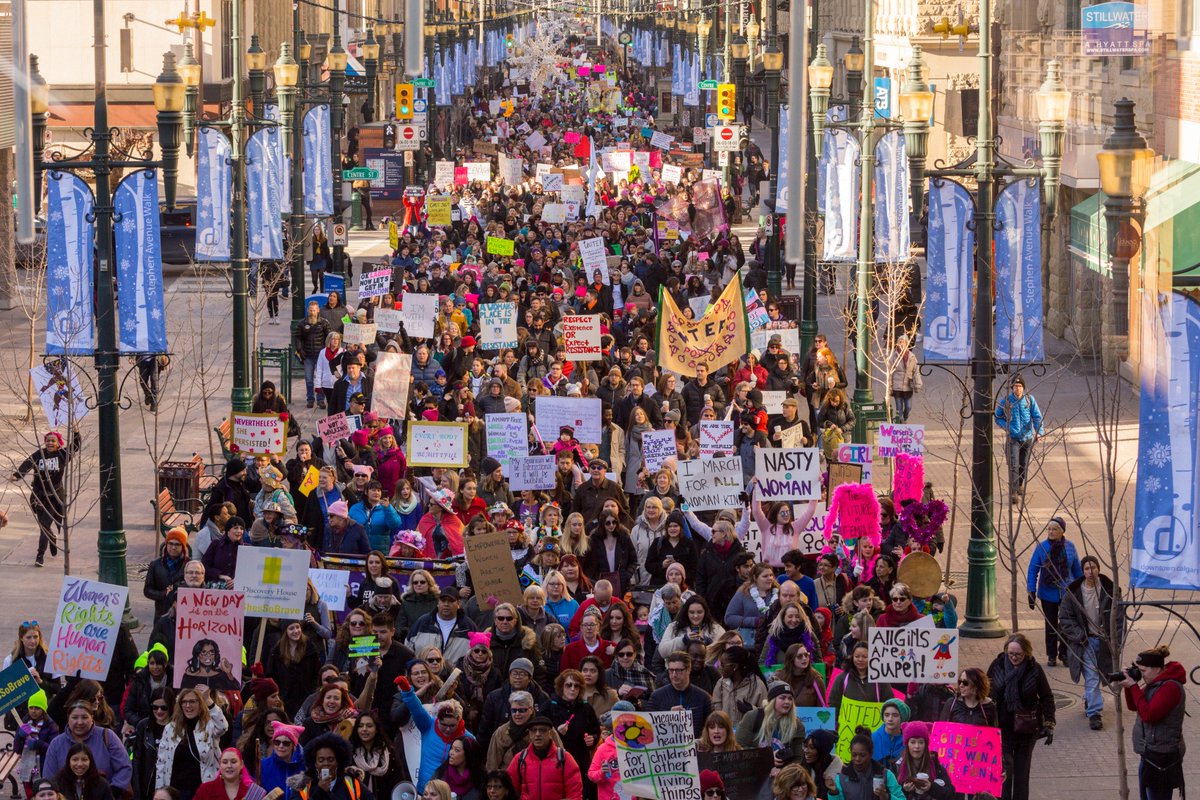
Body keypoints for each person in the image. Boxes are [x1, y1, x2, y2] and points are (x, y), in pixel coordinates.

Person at [987, 633, 1054, 800]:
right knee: (1004, 773)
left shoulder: (1034, 669)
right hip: (1002, 730)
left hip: (1026, 730)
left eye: (1018, 654)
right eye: (1011, 654)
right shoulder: (997, 665)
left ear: (1026, 653)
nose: (1014, 658)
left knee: (1022, 775)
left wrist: (1049, 722)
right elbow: (986, 692)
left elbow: (1047, 696)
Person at [1058, 555, 1119, 731]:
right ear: (1082, 571)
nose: (1090, 572)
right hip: (1086, 642)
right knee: (1092, 676)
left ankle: (1089, 699)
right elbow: (1065, 618)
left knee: (1100, 675)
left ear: (1098, 569)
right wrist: (1080, 636)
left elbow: (1119, 619)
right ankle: (1094, 713)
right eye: (1086, 568)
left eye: (1093, 568)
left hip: (1105, 641)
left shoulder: (1110, 590)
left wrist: (1116, 640)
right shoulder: (1073, 593)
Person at [1120, 645, 1186, 800]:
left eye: (1143, 671)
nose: (1142, 675)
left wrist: (1134, 686)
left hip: (1162, 756)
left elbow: (1150, 715)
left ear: (1157, 669)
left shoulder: (1170, 687)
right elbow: (1134, 706)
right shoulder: (1156, 683)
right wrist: (1129, 687)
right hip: (1150, 753)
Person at [11, 426, 81, 567]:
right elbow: (27, 463)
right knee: (43, 525)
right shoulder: (40, 454)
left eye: (53, 441)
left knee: (44, 525)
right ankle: (52, 538)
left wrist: (75, 432)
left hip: (54, 498)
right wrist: (17, 475)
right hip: (38, 496)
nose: (50, 443)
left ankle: (40, 555)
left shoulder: (62, 455)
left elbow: (75, 446)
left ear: (58, 443)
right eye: (48, 440)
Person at [153, 687, 228, 800]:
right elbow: (161, 762)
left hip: (203, 790)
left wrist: (208, 699)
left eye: (192, 701)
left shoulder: (209, 725)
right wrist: (159, 793)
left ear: (200, 703)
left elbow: (223, 727)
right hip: (175, 791)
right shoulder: (170, 728)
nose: (188, 705)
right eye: (184, 702)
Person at [1025, 516, 1081, 667]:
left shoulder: (1070, 547)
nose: (1050, 532)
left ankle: (1064, 653)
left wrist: (1081, 590)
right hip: (1047, 593)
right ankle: (1051, 655)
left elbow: (1077, 570)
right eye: (1049, 529)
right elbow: (1033, 569)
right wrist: (1031, 590)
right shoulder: (1042, 548)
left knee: (1066, 624)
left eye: (1054, 529)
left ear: (1062, 531)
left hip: (1066, 592)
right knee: (1050, 625)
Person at [43, 703, 131, 798]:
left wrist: (112, 790)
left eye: (84, 717)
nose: (80, 722)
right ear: (68, 719)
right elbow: (49, 777)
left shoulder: (107, 736)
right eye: (75, 717)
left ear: (92, 718)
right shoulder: (57, 743)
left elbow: (124, 767)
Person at [504, 716, 583, 800]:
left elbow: (575, 791)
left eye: (543, 730)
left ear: (550, 734)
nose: (538, 734)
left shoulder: (564, 757)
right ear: (530, 734)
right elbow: (509, 788)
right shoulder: (520, 758)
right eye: (534, 730)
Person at [993, 376, 1043, 502]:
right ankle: (1013, 492)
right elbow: (998, 417)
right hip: (1013, 439)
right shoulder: (1006, 401)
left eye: (1020, 386)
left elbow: (1037, 417)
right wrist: (1007, 428)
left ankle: (1020, 484)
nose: (1017, 389)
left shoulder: (1029, 400)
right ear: (1012, 388)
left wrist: (1039, 432)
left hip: (1027, 439)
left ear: (1023, 388)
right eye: (1015, 386)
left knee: (1023, 464)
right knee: (1013, 465)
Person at [646, 651, 712, 738]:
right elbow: (648, 728)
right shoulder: (656, 697)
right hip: (666, 747)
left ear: (688, 670)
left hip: (695, 747)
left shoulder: (704, 698)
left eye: (678, 670)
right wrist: (668, 718)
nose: (674, 675)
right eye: (671, 670)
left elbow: (710, 727)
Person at [824, 729, 904, 800]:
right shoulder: (841, 777)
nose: (857, 759)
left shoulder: (886, 775)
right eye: (854, 755)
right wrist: (834, 792)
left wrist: (886, 796)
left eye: (862, 755)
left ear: (871, 753)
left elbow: (902, 798)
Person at [735, 681, 806, 758]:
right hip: (754, 767)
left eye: (790, 698)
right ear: (772, 700)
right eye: (782, 698)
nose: (787, 702)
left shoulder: (797, 725)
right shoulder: (753, 716)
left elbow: (798, 757)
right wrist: (767, 756)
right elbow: (739, 747)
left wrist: (786, 769)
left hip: (784, 769)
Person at [298, 732, 376, 800]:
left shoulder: (352, 783)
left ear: (338, 762)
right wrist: (320, 791)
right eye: (321, 760)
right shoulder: (304, 785)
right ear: (315, 763)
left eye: (331, 759)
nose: (326, 763)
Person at [893, 722, 954, 799]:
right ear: (907, 744)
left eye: (921, 742)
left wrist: (931, 787)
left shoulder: (937, 768)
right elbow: (890, 794)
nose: (917, 746)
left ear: (926, 745)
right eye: (912, 742)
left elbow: (951, 795)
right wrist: (904, 790)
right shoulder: (897, 766)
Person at [192, 749, 269, 800]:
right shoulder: (205, 789)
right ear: (220, 765)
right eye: (225, 762)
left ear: (241, 764)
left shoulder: (255, 792)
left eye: (233, 761)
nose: (229, 766)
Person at [259, 721, 306, 800]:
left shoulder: (304, 766)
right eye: (277, 742)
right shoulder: (263, 765)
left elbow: (307, 795)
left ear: (293, 746)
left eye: (286, 743)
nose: (281, 746)